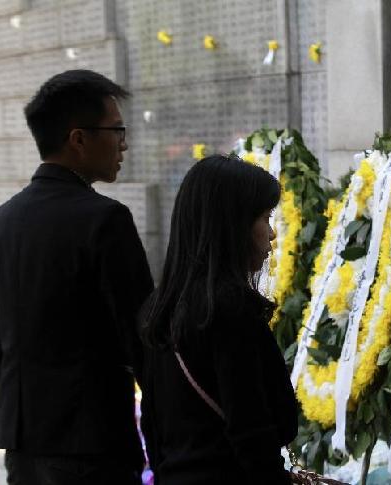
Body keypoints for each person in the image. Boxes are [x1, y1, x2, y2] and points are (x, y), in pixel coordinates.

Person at [0, 69, 154, 484]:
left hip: (22, 442)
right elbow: (143, 335)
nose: (124, 143)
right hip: (92, 443)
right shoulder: (105, 220)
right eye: (116, 130)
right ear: (79, 139)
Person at [140, 155, 297, 484]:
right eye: (265, 218)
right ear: (232, 224)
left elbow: (152, 425)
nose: (271, 234)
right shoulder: (229, 311)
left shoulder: (160, 307)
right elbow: (251, 431)